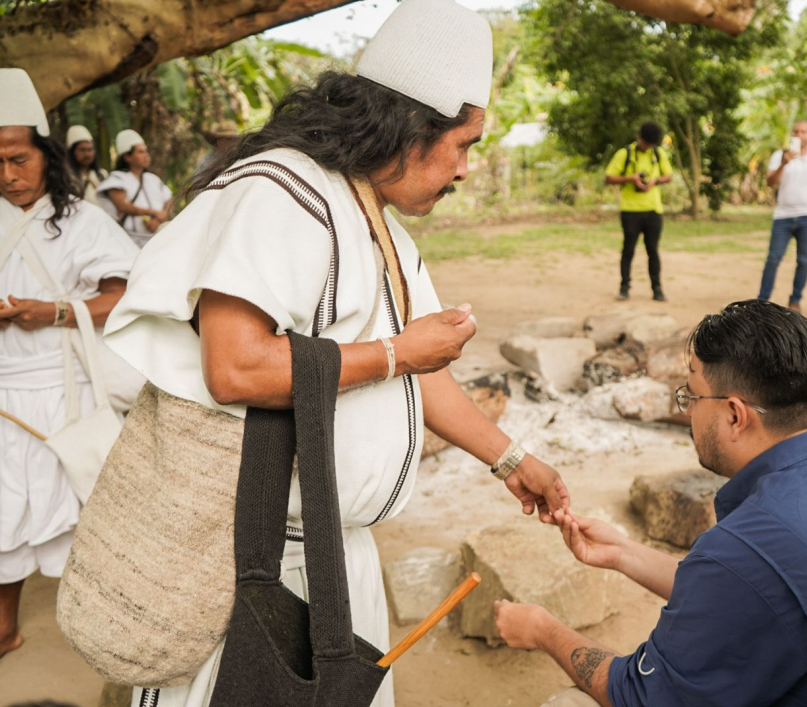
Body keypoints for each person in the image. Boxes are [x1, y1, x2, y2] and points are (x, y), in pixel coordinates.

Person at [101, 1, 569, 704]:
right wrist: (395, 354)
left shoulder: (374, 218)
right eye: (465, 144)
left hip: (332, 556)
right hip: (253, 565)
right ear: (413, 128)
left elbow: (415, 372)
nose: (467, 169)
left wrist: (511, 458)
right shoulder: (278, 191)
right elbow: (235, 367)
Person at [495, 299, 807, 707]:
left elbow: (637, 695)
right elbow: (762, 593)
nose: (688, 410)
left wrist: (542, 630)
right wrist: (622, 553)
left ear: (734, 414)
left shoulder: (745, 546)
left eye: (690, 395)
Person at [0, 69, 139, 659]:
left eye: (17, 158)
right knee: (3, 515)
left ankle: (120, 633)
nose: (7, 175)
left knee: (93, 515)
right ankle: (4, 629)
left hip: (67, 395)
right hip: (3, 396)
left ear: (45, 154)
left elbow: (124, 297)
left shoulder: (81, 221)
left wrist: (52, 310)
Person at [759, 120, 807, 312]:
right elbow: (770, 182)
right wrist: (784, 164)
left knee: (804, 260)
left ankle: (795, 300)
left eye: (804, 132)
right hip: (783, 216)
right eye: (796, 132)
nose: (799, 135)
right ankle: (762, 300)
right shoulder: (779, 156)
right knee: (773, 259)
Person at [604, 122, 673, 302]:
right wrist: (630, 179)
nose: (647, 146)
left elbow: (669, 175)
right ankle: (624, 287)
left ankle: (657, 289)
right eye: (645, 143)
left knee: (653, 250)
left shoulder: (658, 154)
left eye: (651, 144)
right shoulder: (624, 154)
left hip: (653, 210)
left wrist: (654, 181)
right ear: (639, 137)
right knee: (628, 250)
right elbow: (609, 177)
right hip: (630, 211)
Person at [96, 129, 172, 248]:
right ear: (127, 157)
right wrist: (154, 212)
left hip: (158, 239)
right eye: (140, 152)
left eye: (146, 151)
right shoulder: (116, 179)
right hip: (128, 241)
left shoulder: (152, 179)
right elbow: (122, 206)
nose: (146, 155)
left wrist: (158, 220)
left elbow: (169, 200)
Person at [65, 126, 107, 206]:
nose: (87, 154)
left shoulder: (102, 175)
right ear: (72, 152)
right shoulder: (67, 176)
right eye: (82, 150)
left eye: (90, 150)